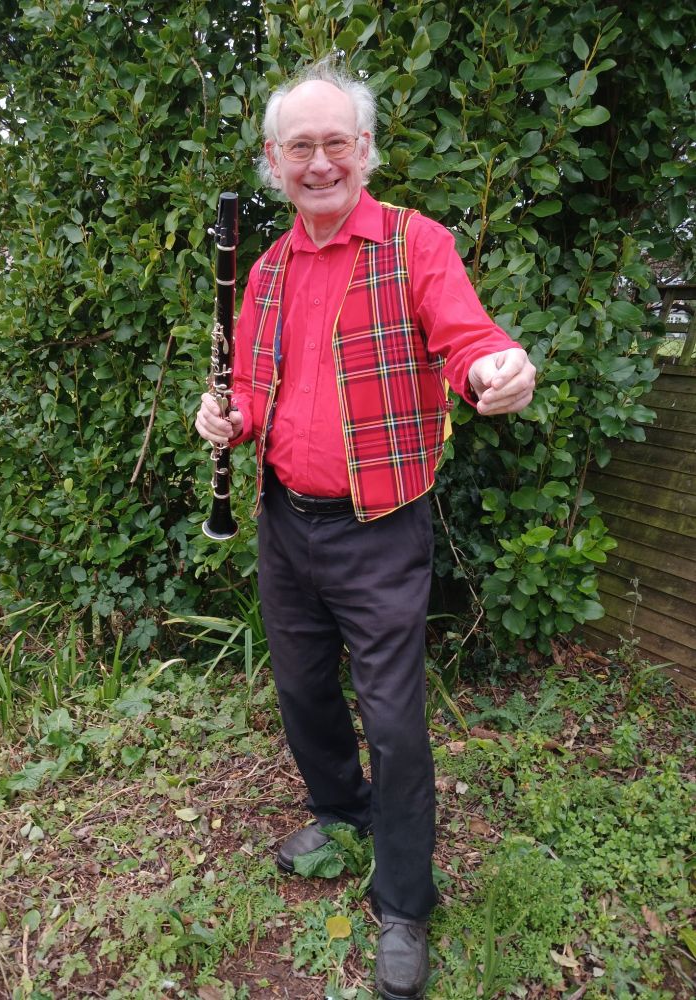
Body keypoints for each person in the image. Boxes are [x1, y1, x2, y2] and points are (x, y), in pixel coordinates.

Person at [196, 60, 536, 1000]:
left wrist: (500, 368)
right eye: (298, 146)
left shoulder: (414, 244)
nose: (318, 163)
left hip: (380, 530)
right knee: (304, 695)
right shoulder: (263, 269)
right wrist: (224, 415)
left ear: (366, 150)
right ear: (273, 159)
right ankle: (340, 813)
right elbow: (255, 387)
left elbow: (468, 339)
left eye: (334, 142)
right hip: (283, 525)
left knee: (393, 719)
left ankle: (405, 901)